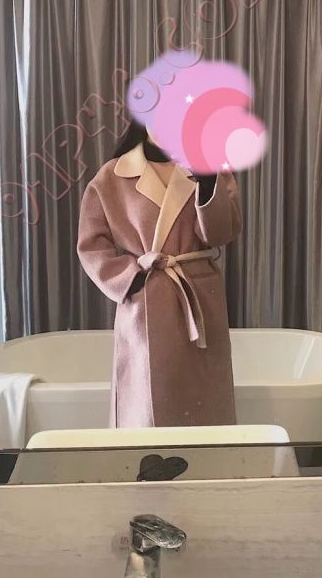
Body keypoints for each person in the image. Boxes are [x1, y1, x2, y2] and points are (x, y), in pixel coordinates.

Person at [77, 122, 241, 427]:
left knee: (205, 400)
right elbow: (90, 245)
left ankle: (209, 455)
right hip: (146, 298)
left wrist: (207, 182)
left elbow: (221, 233)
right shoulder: (112, 176)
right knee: (146, 402)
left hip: (199, 295)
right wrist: (129, 278)